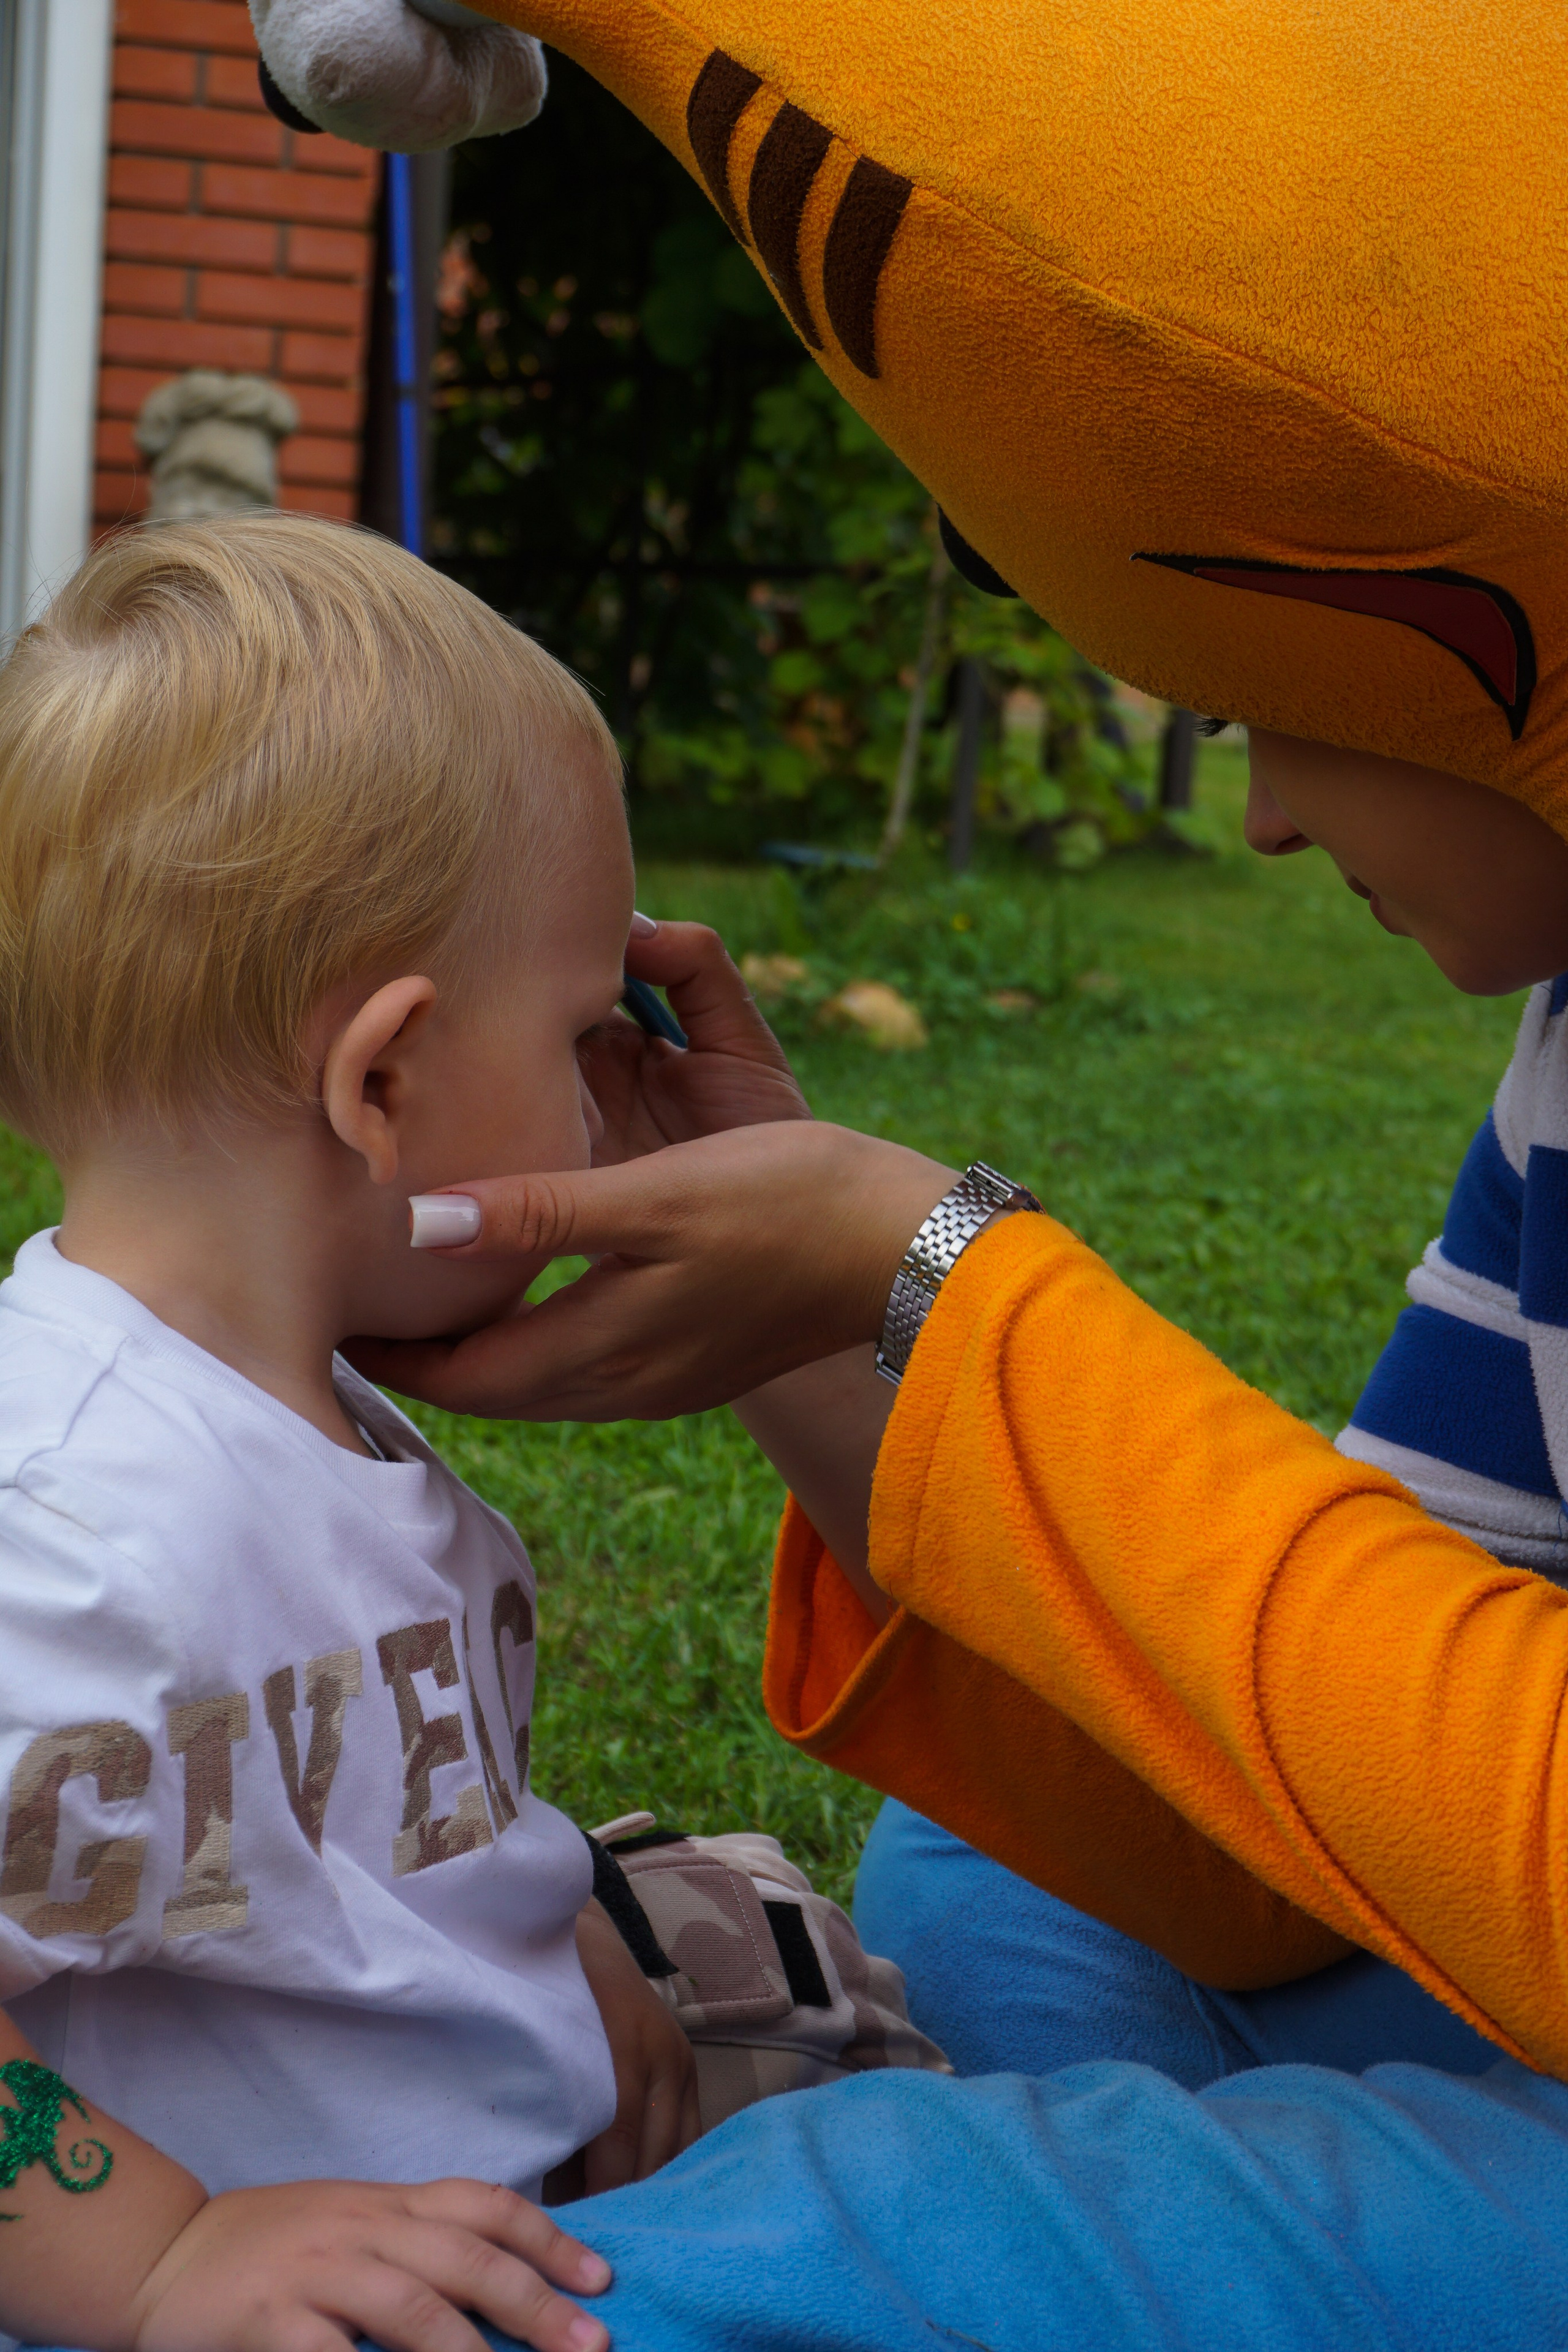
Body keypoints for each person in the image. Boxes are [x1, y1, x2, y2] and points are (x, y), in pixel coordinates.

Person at [0, 514, 944, 2352]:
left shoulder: (305, 1408)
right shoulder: (70, 1511)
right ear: (385, 1082)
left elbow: (327, 1808)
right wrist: (165, 2258)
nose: (616, 1099)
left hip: (539, 2195)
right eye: (591, 1030)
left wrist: (548, 1929)